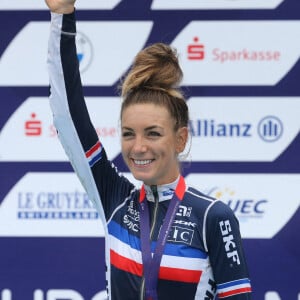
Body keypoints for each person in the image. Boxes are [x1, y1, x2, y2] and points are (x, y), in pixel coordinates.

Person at [45, 0, 252, 299]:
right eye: (128, 134)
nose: (138, 147)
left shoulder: (211, 217)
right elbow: (67, 117)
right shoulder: (114, 199)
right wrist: (61, 17)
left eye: (153, 134)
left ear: (180, 139)